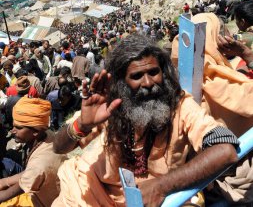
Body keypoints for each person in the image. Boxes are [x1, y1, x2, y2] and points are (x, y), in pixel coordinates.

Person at [52, 34, 238, 207]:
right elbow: (59, 148)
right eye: (137, 76)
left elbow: (224, 149)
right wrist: (83, 125)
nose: (148, 83)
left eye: (153, 72)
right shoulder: (111, 104)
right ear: (122, 82)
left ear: (163, 72)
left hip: (156, 197)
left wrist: (161, 186)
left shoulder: (180, 105)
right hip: (95, 190)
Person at [172, 13, 253, 204]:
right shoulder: (227, 83)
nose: (228, 34)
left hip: (211, 186)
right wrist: (247, 55)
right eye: (222, 30)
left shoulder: (178, 93)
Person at [0, 97, 67, 206]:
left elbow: (6, 195)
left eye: (18, 127)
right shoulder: (48, 134)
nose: (13, 131)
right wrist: (4, 182)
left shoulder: (39, 165)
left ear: (35, 131)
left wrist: (4, 183)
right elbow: (29, 173)